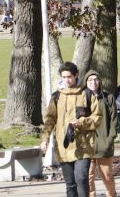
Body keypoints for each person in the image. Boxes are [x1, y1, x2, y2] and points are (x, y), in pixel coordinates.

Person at [41, 62, 102, 197]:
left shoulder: (86, 94)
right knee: (70, 184)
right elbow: (49, 119)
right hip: (64, 146)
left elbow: (97, 117)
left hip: (83, 146)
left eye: (69, 77)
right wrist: (45, 139)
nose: (66, 80)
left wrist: (81, 122)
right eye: (63, 77)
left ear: (76, 75)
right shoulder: (57, 96)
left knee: (81, 179)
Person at [86, 71, 118, 197]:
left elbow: (114, 120)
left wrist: (110, 139)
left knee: (107, 175)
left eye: (95, 80)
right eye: (90, 80)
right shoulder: (82, 98)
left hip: (104, 142)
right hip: (87, 144)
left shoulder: (108, 97)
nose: (93, 83)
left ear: (100, 81)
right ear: (86, 83)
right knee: (88, 176)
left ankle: (111, 194)